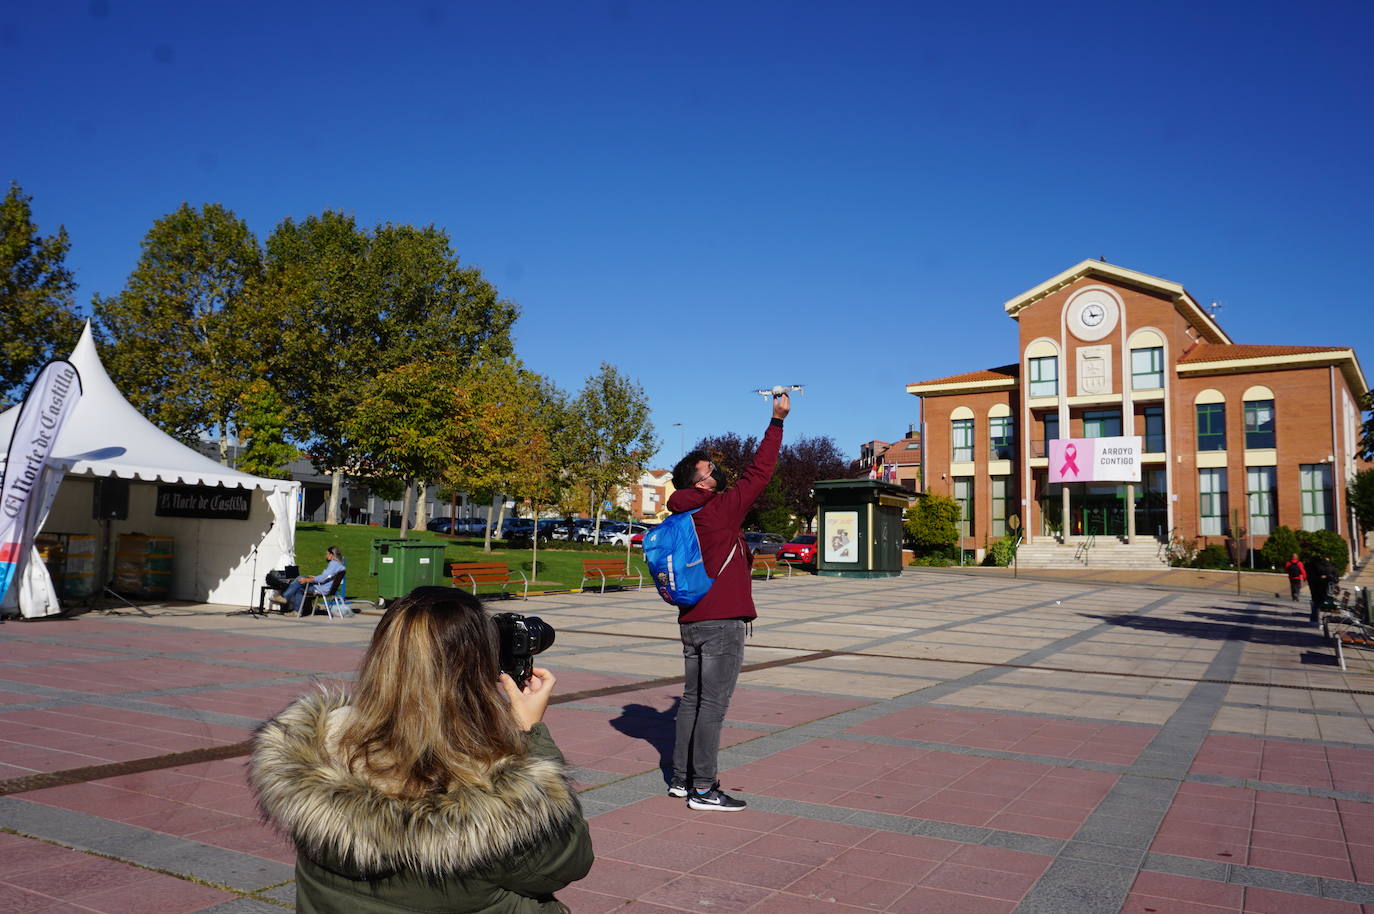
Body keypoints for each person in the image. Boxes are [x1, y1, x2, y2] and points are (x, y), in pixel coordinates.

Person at [249, 587, 592, 913]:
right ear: (475, 672)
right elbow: (570, 861)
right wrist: (531, 735)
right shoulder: (499, 804)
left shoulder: (314, 757)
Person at [665, 391, 790, 811]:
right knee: (712, 706)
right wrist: (777, 420)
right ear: (700, 483)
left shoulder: (678, 514)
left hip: (691, 619)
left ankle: (681, 781)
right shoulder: (716, 511)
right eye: (711, 469)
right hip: (722, 622)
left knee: (691, 700)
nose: (718, 472)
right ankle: (703, 788)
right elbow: (760, 472)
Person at [273, 546, 346, 617]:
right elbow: (327, 577)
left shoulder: (334, 564)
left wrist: (307, 580)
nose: (326, 556)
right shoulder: (339, 565)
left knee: (300, 579)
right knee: (300, 586)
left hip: (321, 589)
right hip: (326, 588)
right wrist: (314, 577)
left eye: (327, 554)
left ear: (331, 555)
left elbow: (323, 578)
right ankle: (295, 610)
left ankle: (285, 598)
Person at [1309, 555, 1337, 625]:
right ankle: (1322, 622)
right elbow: (1336, 580)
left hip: (1317, 589)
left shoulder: (1316, 567)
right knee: (1322, 604)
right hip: (1327, 592)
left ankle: (1314, 620)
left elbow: (1313, 579)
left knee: (1316, 604)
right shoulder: (1332, 568)